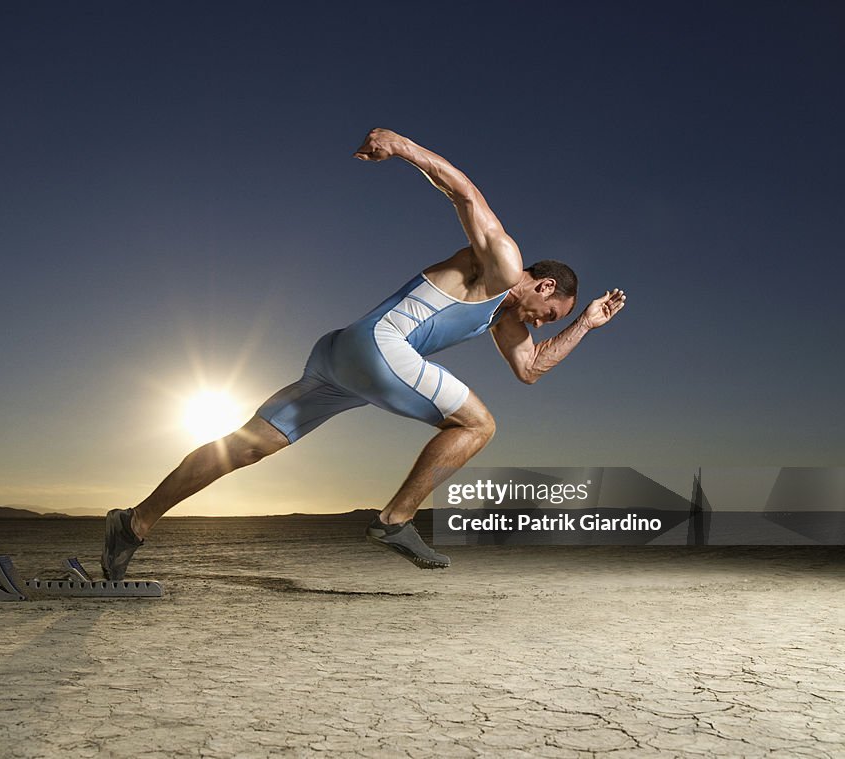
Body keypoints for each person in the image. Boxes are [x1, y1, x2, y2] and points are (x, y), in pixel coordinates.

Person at [102, 128, 626, 576]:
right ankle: (395, 521)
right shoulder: (505, 264)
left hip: (338, 357)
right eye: (549, 313)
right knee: (479, 425)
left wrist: (584, 325)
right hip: (380, 347)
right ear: (545, 284)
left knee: (245, 446)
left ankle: (134, 522)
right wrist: (399, 145)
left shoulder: (504, 316)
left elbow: (531, 370)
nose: (538, 324)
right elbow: (465, 195)